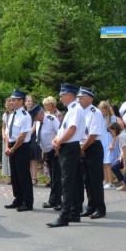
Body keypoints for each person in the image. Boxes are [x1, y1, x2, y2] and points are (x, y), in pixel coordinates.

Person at [49, 83, 85, 228]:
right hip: (68, 146)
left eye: (62, 95)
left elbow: (72, 130)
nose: (60, 98)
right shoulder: (71, 109)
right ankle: (74, 212)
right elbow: (63, 129)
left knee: (67, 182)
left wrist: (59, 142)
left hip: (70, 147)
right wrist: (56, 138)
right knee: (74, 181)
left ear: (69, 95)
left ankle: (64, 216)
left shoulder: (76, 109)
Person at [3, 89, 35, 212]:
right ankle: (18, 199)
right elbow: (7, 134)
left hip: (21, 147)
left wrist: (13, 149)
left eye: (14, 100)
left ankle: (27, 202)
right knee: (15, 175)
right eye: (11, 100)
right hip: (11, 146)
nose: (11, 102)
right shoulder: (11, 115)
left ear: (21, 101)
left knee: (23, 175)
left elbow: (22, 136)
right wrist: (7, 147)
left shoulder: (25, 116)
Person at [78, 87, 106, 219]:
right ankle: (91, 206)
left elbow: (93, 134)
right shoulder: (81, 112)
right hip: (83, 147)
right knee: (87, 180)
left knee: (95, 180)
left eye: (81, 97)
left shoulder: (95, 112)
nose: (79, 99)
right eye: (78, 97)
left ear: (90, 99)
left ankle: (100, 208)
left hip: (92, 147)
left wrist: (82, 148)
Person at [38, 97, 61, 209]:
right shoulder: (39, 121)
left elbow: (59, 133)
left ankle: (54, 201)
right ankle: (57, 200)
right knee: (53, 176)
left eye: (47, 105)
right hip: (47, 150)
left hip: (55, 150)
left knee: (56, 176)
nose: (45, 107)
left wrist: (57, 149)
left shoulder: (53, 118)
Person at [0, 97, 13, 184]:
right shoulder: (5, 115)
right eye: (7, 105)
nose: (8, 106)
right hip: (6, 138)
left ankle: (13, 176)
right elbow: (3, 126)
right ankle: (9, 176)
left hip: (12, 137)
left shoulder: (14, 114)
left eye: (9, 105)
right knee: (6, 158)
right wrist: (3, 135)